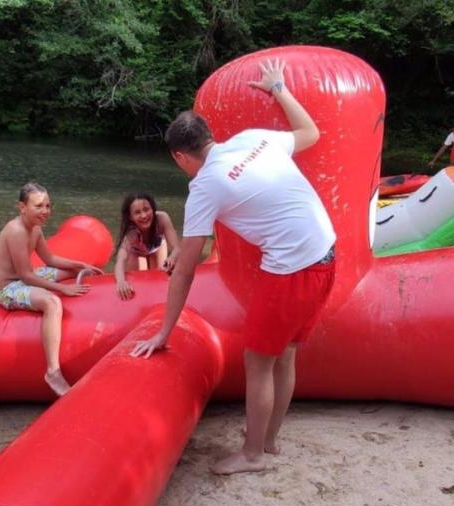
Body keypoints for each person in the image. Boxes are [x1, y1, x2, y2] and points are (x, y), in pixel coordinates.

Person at [130, 59, 337, 476]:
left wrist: (164, 331)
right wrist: (279, 87)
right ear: (210, 135)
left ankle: (253, 454)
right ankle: (271, 442)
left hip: (292, 270)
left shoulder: (205, 185)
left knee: (258, 361)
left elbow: (185, 270)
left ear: (179, 156)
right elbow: (311, 134)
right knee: (287, 353)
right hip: (328, 252)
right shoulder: (254, 138)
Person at [0, 181, 103, 396]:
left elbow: (49, 258)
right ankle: (53, 370)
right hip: (8, 288)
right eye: (38, 206)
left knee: (74, 273)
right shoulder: (16, 231)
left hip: (26, 277)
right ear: (22, 207)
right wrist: (62, 290)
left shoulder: (36, 229)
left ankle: (76, 273)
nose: (45, 211)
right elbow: (25, 275)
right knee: (52, 303)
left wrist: (79, 265)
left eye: (48, 206)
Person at [113, 193, 181, 300]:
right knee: (138, 282)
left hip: (156, 247)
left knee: (160, 278)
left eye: (146, 209)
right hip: (136, 252)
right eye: (137, 212)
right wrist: (121, 282)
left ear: (153, 209)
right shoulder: (131, 233)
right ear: (130, 217)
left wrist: (172, 258)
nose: (144, 216)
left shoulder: (162, 219)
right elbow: (120, 260)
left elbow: (177, 248)